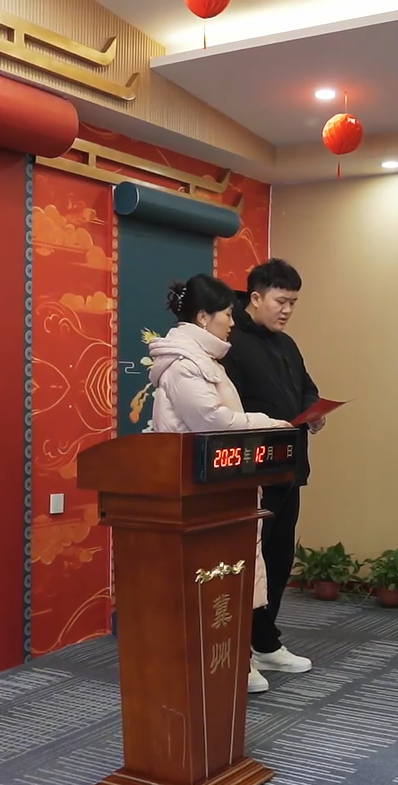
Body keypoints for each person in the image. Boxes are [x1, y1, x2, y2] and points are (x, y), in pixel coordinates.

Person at [148, 274, 294, 694]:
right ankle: (224, 662)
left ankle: (238, 657)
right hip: (199, 493)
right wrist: (265, 422)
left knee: (233, 574)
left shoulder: (205, 360)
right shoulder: (183, 365)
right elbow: (212, 421)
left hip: (223, 491)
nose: (232, 322)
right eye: (227, 314)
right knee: (212, 579)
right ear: (202, 317)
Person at [220, 258, 323, 676]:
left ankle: (265, 642)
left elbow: (307, 389)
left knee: (279, 558)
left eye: (293, 303)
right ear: (256, 297)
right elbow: (228, 408)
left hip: (288, 467)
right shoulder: (230, 343)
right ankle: (240, 648)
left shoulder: (287, 345)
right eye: (281, 301)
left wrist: (314, 412)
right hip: (251, 469)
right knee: (252, 561)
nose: (287, 310)